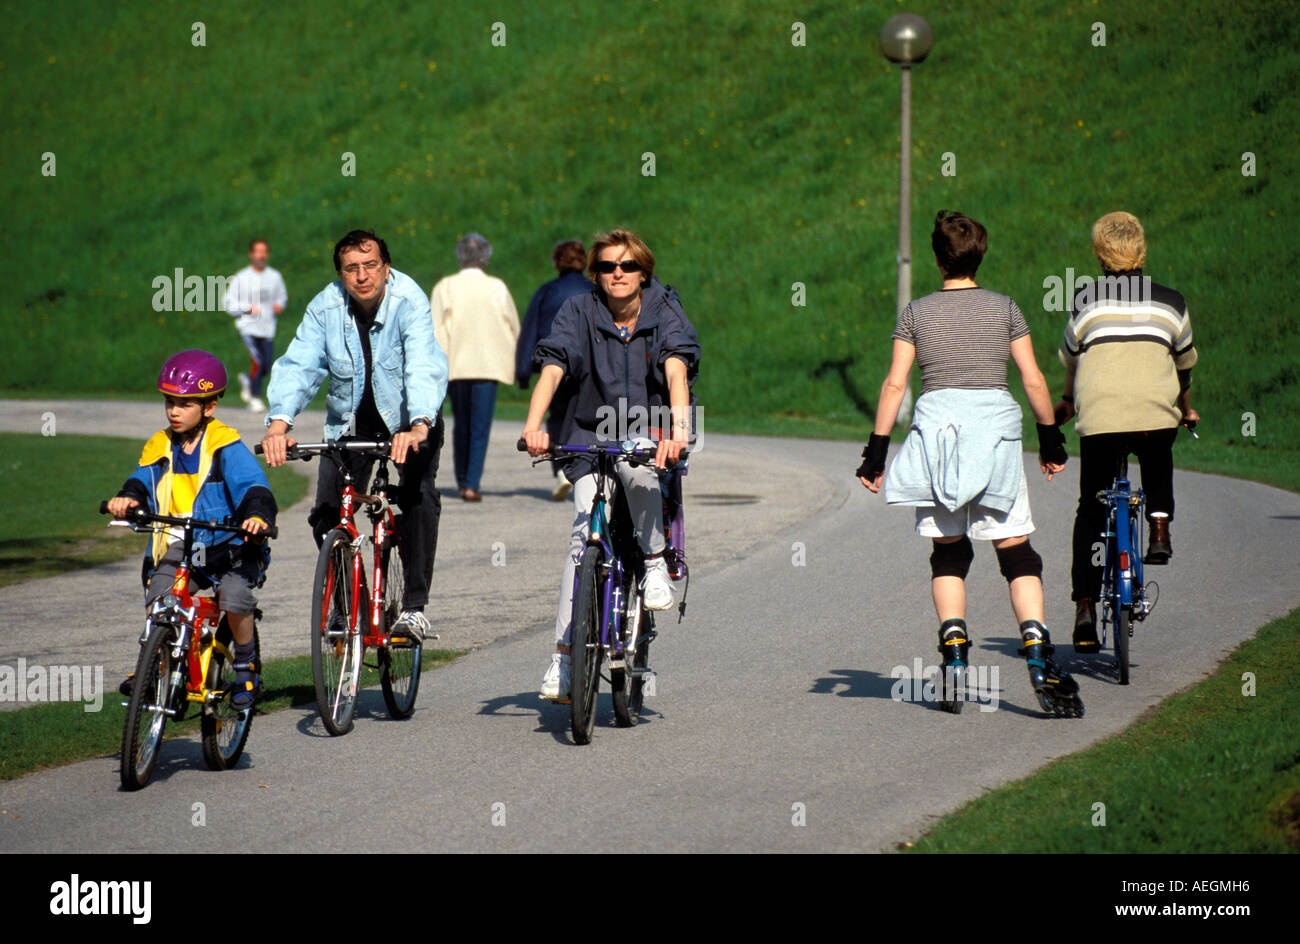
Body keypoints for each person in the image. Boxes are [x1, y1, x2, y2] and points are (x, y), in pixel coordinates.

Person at [858, 210, 1075, 711]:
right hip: (994, 437)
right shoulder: (1006, 310)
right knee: (1016, 551)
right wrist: (1050, 439)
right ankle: (1039, 655)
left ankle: (954, 654)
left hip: (938, 437)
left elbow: (896, 384)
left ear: (937, 259)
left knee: (950, 554)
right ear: (981, 254)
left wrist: (875, 452)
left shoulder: (916, 313)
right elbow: (1034, 379)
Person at [522, 228, 699, 702]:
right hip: (587, 434)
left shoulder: (663, 308)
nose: (616, 274)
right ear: (594, 274)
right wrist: (535, 424)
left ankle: (655, 562)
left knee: (640, 472)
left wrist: (678, 433)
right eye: (606, 267)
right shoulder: (577, 310)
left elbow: (676, 370)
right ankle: (563, 660)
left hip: (648, 428)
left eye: (627, 266)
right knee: (582, 536)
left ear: (644, 272)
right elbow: (554, 366)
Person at [260, 229, 448, 642]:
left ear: (385, 267)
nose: (362, 276)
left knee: (418, 497)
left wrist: (417, 424)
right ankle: (349, 608)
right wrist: (278, 424)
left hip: (409, 419)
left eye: (370, 266)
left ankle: (414, 609)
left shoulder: (409, 301)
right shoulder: (325, 307)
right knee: (328, 514)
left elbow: (421, 364)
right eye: (351, 268)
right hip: (351, 425)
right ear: (341, 273)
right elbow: (300, 365)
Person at [1055, 211, 1199, 653]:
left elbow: (1073, 361)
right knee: (1158, 458)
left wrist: (1067, 403)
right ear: (1142, 252)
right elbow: (1184, 366)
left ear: (1100, 255)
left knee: (1091, 509)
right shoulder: (1171, 302)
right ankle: (1159, 529)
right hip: (1155, 416)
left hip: (1100, 421)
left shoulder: (1084, 301)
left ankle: (1083, 609)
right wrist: (1186, 410)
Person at [108, 350, 276, 709]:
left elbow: (252, 486)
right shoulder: (160, 444)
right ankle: (154, 666)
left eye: (185, 404)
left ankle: (246, 667)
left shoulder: (224, 445)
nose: (174, 411)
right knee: (161, 595)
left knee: (234, 597)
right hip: (184, 546)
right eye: (170, 402)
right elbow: (143, 478)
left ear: (209, 407)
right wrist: (128, 499)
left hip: (231, 546)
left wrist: (257, 517)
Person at [430, 233, 520, 502]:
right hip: (487, 366)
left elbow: (435, 328)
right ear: (486, 257)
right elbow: (513, 326)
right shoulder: (497, 287)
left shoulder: (446, 286)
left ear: (460, 256)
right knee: (480, 427)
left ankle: (462, 481)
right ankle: (471, 483)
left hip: (456, 365)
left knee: (462, 426)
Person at [515, 239, 594, 501]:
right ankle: (585, 467)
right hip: (588, 365)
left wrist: (524, 370)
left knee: (558, 416)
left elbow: (530, 331)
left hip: (554, 364)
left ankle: (561, 469)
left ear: (557, 262)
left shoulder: (547, 291)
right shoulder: (593, 289)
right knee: (583, 415)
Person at [222, 239, 288, 413]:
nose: (261, 255)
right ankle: (255, 398)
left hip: (267, 328)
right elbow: (228, 303)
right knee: (258, 362)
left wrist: (279, 305)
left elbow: (281, 297)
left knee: (267, 365)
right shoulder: (241, 278)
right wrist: (246, 308)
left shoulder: (274, 277)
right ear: (251, 254)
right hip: (248, 327)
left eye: (264, 251)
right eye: (258, 251)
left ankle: (247, 379)